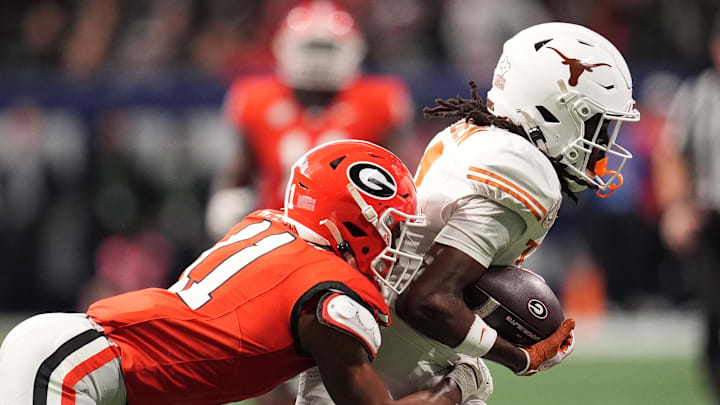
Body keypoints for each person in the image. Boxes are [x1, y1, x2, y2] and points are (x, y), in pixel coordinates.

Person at [296, 21, 640, 404]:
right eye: (595, 123)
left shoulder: (471, 134)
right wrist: (521, 357)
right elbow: (426, 300)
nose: (602, 145)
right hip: (381, 374)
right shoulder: (525, 171)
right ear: (555, 108)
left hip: (365, 350)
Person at [0, 140, 494, 405]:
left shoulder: (271, 225)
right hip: (75, 370)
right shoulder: (333, 297)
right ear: (349, 221)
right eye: (389, 229)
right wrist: (456, 388)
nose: (394, 246)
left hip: (87, 363)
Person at [206, 0, 414, 240]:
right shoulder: (255, 101)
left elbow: (403, 180)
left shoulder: (378, 102)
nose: (318, 60)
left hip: (353, 240)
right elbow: (237, 175)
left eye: (328, 49)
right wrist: (225, 204)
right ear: (284, 48)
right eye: (310, 48)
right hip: (275, 234)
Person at [653, 14, 720, 401]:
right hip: (712, 219)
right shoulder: (698, 96)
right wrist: (676, 207)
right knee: (715, 314)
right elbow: (671, 154)